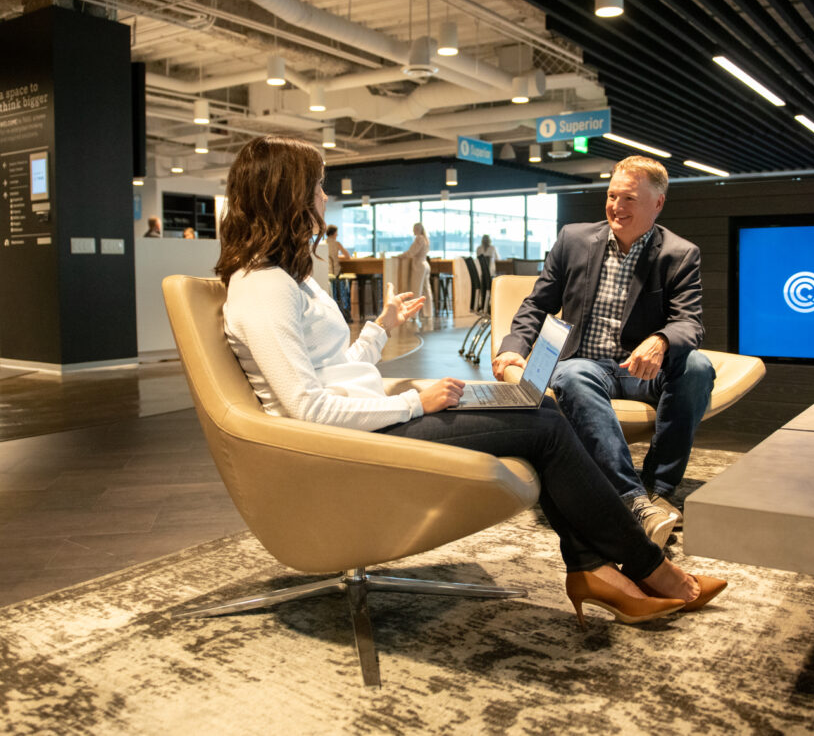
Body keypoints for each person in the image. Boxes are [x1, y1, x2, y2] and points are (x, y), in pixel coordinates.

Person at [214, 135, 725, 627]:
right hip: (349, 437)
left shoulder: (289, 277)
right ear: (288, 195)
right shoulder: (262, 287)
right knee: (543, 424)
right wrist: (417, 403)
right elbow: (309, 410)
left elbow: (333, 370)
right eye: (318, 186)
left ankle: (595, 569)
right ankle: (647, 569)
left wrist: (380, 329)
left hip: (368, 414)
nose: (325, 197)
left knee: (538, 410)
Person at [492, 155, 716, 552]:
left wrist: (662, 340)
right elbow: (536, 305)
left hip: (639, 369)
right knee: (573, 375)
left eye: (628, 198)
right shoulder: (574, 240)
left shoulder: (679, 254)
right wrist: (512, 350)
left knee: (697, 366)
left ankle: (657, 489)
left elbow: (690, 323)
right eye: (612, 195)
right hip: (584, 362)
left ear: (658, 203)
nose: (616, 206)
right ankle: (634, 501)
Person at [397, 222, 433, 320]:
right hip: (425, 264)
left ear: (417, 229)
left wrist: (400, 256)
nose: (413, 230)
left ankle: (413, 314)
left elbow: (412, 252)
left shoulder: (419, 239)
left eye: (414, 228)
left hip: (419, 266)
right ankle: (428, 313)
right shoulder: (426, 239)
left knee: (417, 290)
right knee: (426, 290)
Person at [325, 224, 353, 314]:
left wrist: (334, 257)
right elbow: (348, 257)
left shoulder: (322, 244)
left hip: (326, 272)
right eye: (337, 233)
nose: (337, 235)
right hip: (335, 272)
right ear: (334, 233)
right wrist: (337, 257)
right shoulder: (336, 244)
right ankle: (345, 309)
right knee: (345, 283)